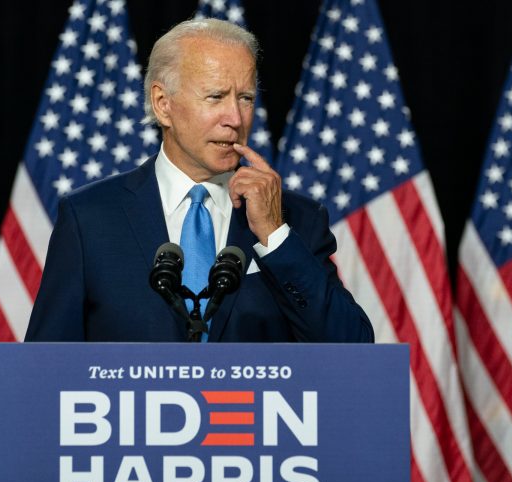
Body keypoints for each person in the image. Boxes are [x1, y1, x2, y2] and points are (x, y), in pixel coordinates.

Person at [25, 18, 373, 343]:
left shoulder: (296, 219)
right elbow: (45, 368)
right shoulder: (89, 218)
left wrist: (275, 236)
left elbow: (354, 349)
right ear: (163, 105)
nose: (235, 118)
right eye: (216, 97)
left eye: (246, 98)